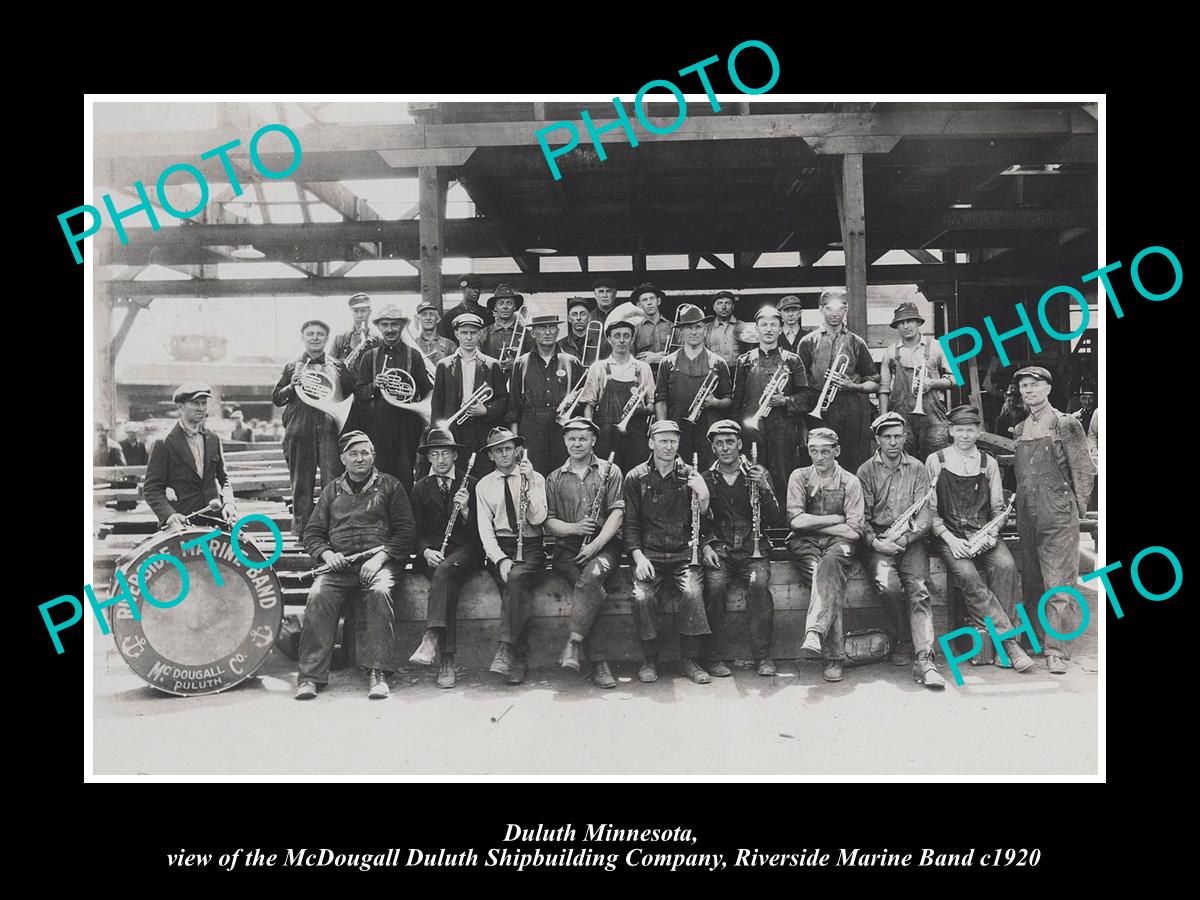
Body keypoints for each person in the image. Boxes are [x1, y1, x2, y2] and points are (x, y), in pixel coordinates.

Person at [295, 430, 416, 700]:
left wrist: (379, 558)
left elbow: (406, 532)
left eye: (365, 452)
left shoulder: (391, 486)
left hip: (378, 565)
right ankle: (310, 677)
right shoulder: (331, 491)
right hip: (338, 568)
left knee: (379, 593)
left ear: (373, 456)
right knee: (317, 596)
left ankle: (378, 673)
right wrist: (327, 555)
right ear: (342, 459)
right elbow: (312, 533)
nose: (360, 458)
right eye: (353, 453)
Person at [926, 405, 1034, 673]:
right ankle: (1009, 643)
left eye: (970, 430)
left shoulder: (989, 463)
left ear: (978, 432)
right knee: (969, 576)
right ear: (950, 431)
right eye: (959, 430)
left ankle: (999, 643)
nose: (964, 435)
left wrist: (992, 535)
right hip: (949, 536)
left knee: (1006, 567)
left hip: (983, 534)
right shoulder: (936, 460)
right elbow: (930, 512)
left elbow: (998, 510)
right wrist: (950, 540)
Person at [1012, 366, 1095, 674]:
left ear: (1047, 388)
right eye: (1023, 386)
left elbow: (1084, 470)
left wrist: (1076, 507)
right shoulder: (1020, 429)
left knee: (1058, 582)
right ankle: (1035, 639)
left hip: (1057, 510)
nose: (1028, 391)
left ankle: (1057, 648)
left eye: (1034, 385)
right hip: (1027, 510)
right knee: (1032, 579)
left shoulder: (1065, 423)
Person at [856, 411, 944, 689]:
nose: (893, 442)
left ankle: (925, 658)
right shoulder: (865, 471)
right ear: (877, 440)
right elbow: (861, 517)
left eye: (898, 436)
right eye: (887, 437)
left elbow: (926, 514)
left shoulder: (918, 468)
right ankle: (905, 637)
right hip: (880, 542)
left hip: (910, 542)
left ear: (905, 437)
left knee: (919, 589)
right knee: (889, 587)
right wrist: (875, 542)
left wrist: (907, 538)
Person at [622, 420, 713, 685]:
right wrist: (637, 557)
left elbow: (703, 522)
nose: (668, 446)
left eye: (673, 441)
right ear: (651, 443)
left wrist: (704, 497)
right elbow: (630, 524)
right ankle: (649, 659)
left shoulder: (691, 475)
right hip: (648, 555)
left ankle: (689, 660)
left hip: (683, 555)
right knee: (642, 597)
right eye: (663, 440)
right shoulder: (635, 477)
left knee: (693, 593)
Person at [544, 418, 626, 689]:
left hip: (603, 546)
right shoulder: (554, 478)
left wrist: (595, 545)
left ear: (593, 441)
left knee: (590, 580)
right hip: (568, 549)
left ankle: (574, 642)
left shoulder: (610, 471)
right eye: (571, 438)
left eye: (582, 438)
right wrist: (574, 528)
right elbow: (549, 522)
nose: (576, 443)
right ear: (565, 442)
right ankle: (599, 665)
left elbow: (617, 514)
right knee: (593, 591)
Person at [785, 427, 865, 683]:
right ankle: (833, 658)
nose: (819, 457)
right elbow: (795, 522)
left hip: (839, 545)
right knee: (828, 582)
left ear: (836, 451)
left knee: (827, 569)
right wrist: (834, 518)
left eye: (825, 451)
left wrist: (814, 522)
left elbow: (853, 531)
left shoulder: (850, 481)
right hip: (804, 544)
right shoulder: (799, 476)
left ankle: (816, 635)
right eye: (813, 451)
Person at [701, 420, 780, 677]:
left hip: (751, 549)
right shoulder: (706, 478)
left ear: (740, 444)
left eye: (730, 442)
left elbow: (776, 517)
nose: (725, 448)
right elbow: (696, 520)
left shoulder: (758, 473)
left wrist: (765, 488)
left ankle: (763, 657)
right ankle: (713, 658)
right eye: (719, 443)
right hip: (721, 551)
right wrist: (705, 546)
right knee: (713, 588)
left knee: (759, 585)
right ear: (713, 447)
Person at [407, 428, 484, 689]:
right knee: (444, 576)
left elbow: (481, 530)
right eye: (435, 454)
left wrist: (465, 511)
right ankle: (447, 661)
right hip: (435, 554)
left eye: (445, 454)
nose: (440, 460)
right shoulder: (419, 488)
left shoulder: (471, 483)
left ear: (454, 455)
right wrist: (426, 551)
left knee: (444, 572)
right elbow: (415, 531)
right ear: (428, 457)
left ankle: (431, 638)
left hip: (466, 550)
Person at [474, 427, 548, 686]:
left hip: (530, 545)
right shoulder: (483, 486)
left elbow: (539, 519)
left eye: (509, 448)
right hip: (501, 547)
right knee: (515, 587)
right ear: (491, 456)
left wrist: (530, 486)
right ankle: (520, 660)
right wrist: (500, 559)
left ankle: (506, 647)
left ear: (517, 450)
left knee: (515, 581)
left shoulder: (535, 477)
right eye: (498, 450)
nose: (505, 454)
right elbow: (485, 530)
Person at [731, 305, 817, 514]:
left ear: (780, 329)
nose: (768, 329)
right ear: (757, 329)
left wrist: (785, 400)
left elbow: (807, 398)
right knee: (753, 474)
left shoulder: (792, 360)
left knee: (783, 475)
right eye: (764, 325)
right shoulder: (744, 361)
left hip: (784, 430)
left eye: (773, 325)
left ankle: (784, 525)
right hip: (752, 431)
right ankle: (756, 523)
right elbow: (736, 402)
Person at [273, 319, 354, 535]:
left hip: (329, 431)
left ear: (327, 339)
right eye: (310, 334)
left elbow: (350, 396)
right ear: (303, 338)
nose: (315, 338)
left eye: (320, 334)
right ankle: (302, 532)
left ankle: (333, 530)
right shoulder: (292, 366)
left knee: (333, 482)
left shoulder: (337, 366)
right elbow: (277, 398)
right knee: (301, 484)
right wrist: (292, 385)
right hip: (300, 430)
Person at [352, 304, 434, 493]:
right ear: (379, 327)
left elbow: (427, 390)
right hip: (377, 428)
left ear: (402, 326)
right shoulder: (368, 357)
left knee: (405, 475)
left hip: (407, 426)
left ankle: (403, 521)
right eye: (385, 325)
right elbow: (358, 393)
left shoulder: (413, 355)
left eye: (394, 325)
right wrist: (374, 385)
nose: (390, 329)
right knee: (378, 476)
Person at [796, 290, 878, 473]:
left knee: (852, 458)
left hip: (851, 407)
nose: (835, 313)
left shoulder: (856, 342)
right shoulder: (807, 342)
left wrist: (853, 386)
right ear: (821, 309)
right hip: (818, 408)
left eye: (840, 308)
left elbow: (874, 380)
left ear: (846, 310)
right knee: (821, 457)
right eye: (829, 308)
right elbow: (799, 384)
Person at [143, 382, 238, 529]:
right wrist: (169, 515)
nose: (201, 408)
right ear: (180, 406)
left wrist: (229, 503)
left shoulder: (213, 439)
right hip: (182, 524)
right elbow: (151, 489)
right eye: (195, 403)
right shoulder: (164, 442)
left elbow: (224, 479)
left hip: (215, 522)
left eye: (204, 403)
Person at [430, 312, 510, 479]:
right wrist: (438, 435)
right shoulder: (443, 366)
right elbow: (437, 405)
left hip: (482, 431)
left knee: (484, 476)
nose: (468, 337)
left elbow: (503, 400)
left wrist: (486, 410)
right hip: (454, 432)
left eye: (473, 333)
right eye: (464, 333)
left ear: (479, 335)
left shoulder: (492, 364)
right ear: (456, 334)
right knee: (457, 477)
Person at [654, 304, 732, 469]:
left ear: (705, 330)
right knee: (678, 473)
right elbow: (660, 399)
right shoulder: (667, 362)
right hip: (677, 428)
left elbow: (728, 400)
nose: (694, 332)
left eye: (698, 327)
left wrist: (715, 403)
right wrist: (664, 429)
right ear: (681, 332)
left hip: (709, 429)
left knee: (709, 472)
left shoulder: (718, 363)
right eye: (689, 328)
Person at [579, 314, 657, 475]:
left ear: (632, 339)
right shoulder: (598, 367)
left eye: (626, 336)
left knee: (636, 476)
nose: (622, 340)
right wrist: (589, 431)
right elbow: (589, 405)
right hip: (605, 433)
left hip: (636, 433)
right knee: (605, 476)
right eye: (617, 336)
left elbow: (653, 404)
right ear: (609, 339)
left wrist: (643, 410)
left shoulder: (643, 368)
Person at [508, 313, 583, 476]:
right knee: (533, 477)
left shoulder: (571, 362)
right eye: (542, 328)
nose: (548, 332)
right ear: (533, 333)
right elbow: (513, 407)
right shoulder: (522, 363)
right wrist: (515, 441)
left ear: (558, 332)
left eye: (552, 328)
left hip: (562, 429)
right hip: (531, 429)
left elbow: (581, 405)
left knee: (564, 476)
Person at [878, 302, 953, 460]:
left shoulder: (938, 347)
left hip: (933, 419)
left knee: (936, 461)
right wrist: (883, 419)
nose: (906, 326)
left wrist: (931, 383)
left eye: (910, 321)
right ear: (896, 326)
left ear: (918, 322)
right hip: (901, 418)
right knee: (903, 462)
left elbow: (954, 379)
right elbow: (884, 389)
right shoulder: (890, 352)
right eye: (901, 323)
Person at [480, 284, 529, 373]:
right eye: (500, 303)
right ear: (495, 307)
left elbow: (534, 363)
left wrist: (516, 365)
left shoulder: (526, 333)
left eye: (509, 303)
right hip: (491, 383)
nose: (505, 307)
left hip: (516, 383)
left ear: (515, 307)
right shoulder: (483, 334)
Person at [439, 273, 493, 340]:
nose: (477, 291)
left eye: (478, 288)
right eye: (472, 287)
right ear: (462, 289)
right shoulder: (450, 316)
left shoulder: (487, 314)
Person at [631, 282, 673, 367]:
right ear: (639, 305)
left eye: (652, 298)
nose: (649, 303)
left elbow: (682, 354)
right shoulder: (635, 330)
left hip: (669, 375)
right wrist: (650, 360)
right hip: (644, 375)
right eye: (644, 300)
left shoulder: (672, 327)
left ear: (658, 301)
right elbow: (630, 359)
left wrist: (656, 358)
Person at [330, 292, 379, 363]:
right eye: (356, 311)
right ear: (351, 312)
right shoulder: (340, 338)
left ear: (370, 312)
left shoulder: (377, 338)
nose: (359, 316)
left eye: (363, 311)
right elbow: (330, 363)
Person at [409, 300, 457, 373]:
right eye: (424, 315)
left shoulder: (450, 345)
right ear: (418, 319)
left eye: (431, 314)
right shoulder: (413, 345)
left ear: (438, 319)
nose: (428, 318)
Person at [705, 290, 747, 368]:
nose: (723, 307)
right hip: (714, 373)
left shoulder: (743, 327)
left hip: (738, 374)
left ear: (733, 306)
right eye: (719, 303)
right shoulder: (706, 329)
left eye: (728, 303)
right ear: (714, 307)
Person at [558, 297, 598, 362]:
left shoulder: (602, 343)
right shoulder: (560, 345)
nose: (578, 318)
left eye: (583, 314)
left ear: (589, 317)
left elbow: (608, 369)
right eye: (574, 314)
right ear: (569, 318)